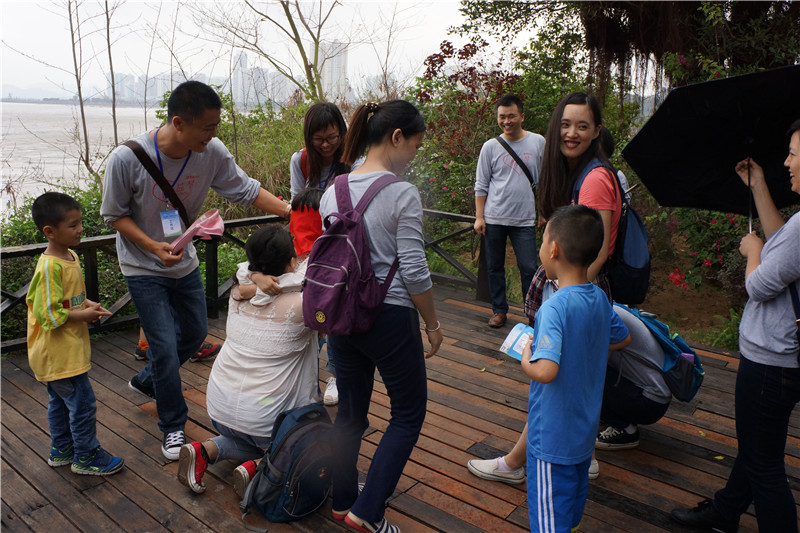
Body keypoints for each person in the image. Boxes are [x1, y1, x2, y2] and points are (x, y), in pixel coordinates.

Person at [100, 80, 291, 461]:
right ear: (179, 123)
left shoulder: (211, 152)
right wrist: (152, 245)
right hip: (142, 265)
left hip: (183, 261)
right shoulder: (127, 159)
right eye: (207, 127)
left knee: (195, 333)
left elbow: (245, 190)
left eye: (216, 126)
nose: (213, 134)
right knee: (165, 347)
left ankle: (146, 381)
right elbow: (113, 215)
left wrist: (290, 212)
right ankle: (173, 426)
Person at [468, 92, 624, 484]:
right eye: (566, 125)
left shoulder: (594, 179)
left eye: (582, 126)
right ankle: (530, 460)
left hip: (576, 290)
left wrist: (567, 297)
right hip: (576, 291)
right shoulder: (577, 173)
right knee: (572, 383)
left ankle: (520, 464)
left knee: (555, 382)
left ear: (596, 131)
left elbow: (598, 250)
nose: (571, 133)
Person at [671, 119, 800, 533]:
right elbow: (785, 246)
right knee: (759, 445)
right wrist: (758, 184)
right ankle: (726, 512)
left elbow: (760, 284)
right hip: (785, 361)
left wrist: (752, 251)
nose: (788, 161)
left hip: (770, 363)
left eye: (795, 153)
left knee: (764, 465)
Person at [323, 100, 442, 533]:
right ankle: (368, 511)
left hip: (340, 318)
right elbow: (412, 269)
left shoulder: (333, 189)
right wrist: (432, 323)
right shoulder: (401, 193)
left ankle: (342, 501)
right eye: (414, 144)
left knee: (350, 414)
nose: (414, 153)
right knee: (408, 414)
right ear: (395, 138)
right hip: (388, 318)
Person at [177, 225, 319, 497]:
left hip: (220, 408)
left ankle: (205, 450)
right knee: (312, 439)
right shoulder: (304, 303)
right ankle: (260, 467)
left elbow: (244, 270)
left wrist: (255, 275)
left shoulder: (237, 293)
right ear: (292, 261)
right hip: (265, 414)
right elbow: (313, 275)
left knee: (252, 434)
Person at [520, 204, 630, 533]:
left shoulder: (553, 308)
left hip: (551, 441)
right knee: (569, 515)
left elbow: (546, 371)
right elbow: (621, 338)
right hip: (583, 438)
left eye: (542, 240)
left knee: (548, 521)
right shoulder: (598, 297)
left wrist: (527, 355)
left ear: (553, 249)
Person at [26, 192, 123, 476]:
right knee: (81, 405)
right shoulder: (49, 267)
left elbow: (67, 300)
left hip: (66, 352)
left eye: (80, 222)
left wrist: (87, 304)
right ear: (50, 231)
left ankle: (62, 449)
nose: (80, 229)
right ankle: (86, 456)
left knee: (60, 403)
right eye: (73, 225)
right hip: (59, 355)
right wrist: (84, 315)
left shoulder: (70, 256)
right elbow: (48, 314)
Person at [289, 102, 362, 405]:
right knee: (309, 307)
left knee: (334, 306)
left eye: (332, 137)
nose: (327, 144)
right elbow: (296, 202)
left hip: (341, 242)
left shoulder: (354, 159)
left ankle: (335, 376)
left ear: (342, 133)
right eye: (319, 139)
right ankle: (303, 375)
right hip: (308, 243)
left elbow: (355, 203)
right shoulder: (301, 160)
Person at [474, 94, 545, 328]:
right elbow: (481, 184)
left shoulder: (538, 142)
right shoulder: (490, 147)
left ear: (522, 116)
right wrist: (479, 216)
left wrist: (543, 211)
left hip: (524, 219)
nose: (506, 121)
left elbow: (545, 180)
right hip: (494, 218)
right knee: (494, 267)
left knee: (529, 269)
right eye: (502, 117)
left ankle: (532, 313)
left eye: (511, 115)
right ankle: (499, 310)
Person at [596, 304, 672, 449]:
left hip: (649, 404)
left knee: (585, 374)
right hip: (655, 394)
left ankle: (625, 430)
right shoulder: (609, 306)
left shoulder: (603, 317)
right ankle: (616, 415)